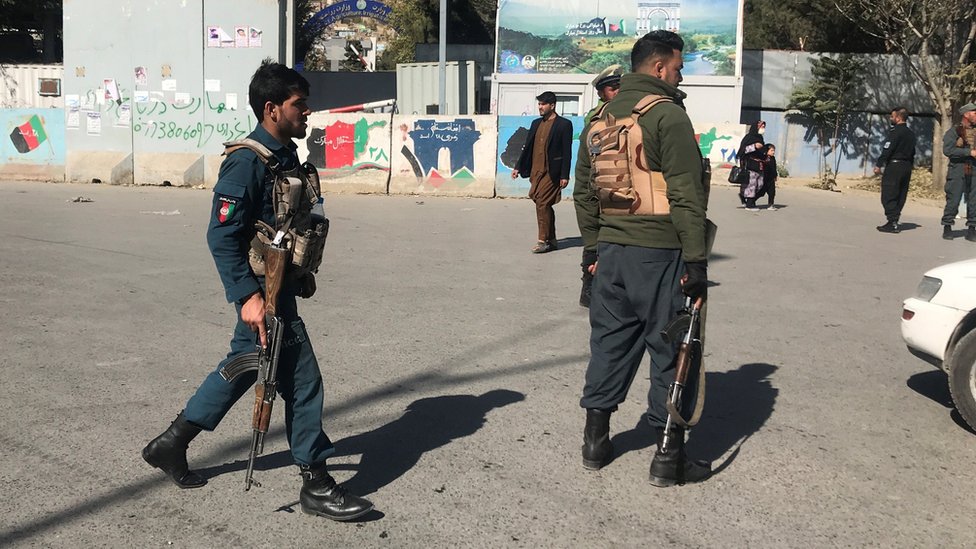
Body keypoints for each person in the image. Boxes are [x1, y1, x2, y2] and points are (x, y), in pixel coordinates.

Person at [141, 60, 373, 522]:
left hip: (279, 288)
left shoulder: (285, 156)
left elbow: (286, 225)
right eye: (299, 105)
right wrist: (246, 296)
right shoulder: (248, 162)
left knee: (245, 366)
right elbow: (221, 235)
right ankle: (316, 482)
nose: (308, 112)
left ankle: (171, 443)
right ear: (272, 109)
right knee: (303, 382)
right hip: (263, 295)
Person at [576, 30, 712, 486]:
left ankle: (595, 443)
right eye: (677, 66)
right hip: (661, 254)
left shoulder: (598, 118)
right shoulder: (666, 116)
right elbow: (687, 195)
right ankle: (667, 459)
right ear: (658, 67)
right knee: (673, 350)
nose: (679, 74)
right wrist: (696, 261)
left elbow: (584, 194)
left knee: (609, 345)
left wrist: (592, 252)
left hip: (611, 254)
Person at [575, 64, 624, 307]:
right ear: (601, 93)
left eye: (620, 88)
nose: (617, 92)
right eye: (612, 89)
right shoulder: (594, 122)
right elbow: (584, 179)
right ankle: (589, 283)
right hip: (598, 193)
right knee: (594, 245)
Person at [512, 91, 574, 253]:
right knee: (540, 201)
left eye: (543, 104)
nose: (540, 107)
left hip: (551, 172)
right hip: (535, 171)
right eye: (539, 104)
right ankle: (552, 239)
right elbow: (527, 148)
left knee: (541, 202)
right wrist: (517, 167)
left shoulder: (564, 124)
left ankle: (542, 241)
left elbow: (567, 152)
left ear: (552, 105)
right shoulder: (535, 124)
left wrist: (564, 175)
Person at [873, 107, 916, 233]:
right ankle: (895, 220)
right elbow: (913, 152)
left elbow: (888, 149)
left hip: (894, 166)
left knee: (889, 193)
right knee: (901, 194)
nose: (891, 119)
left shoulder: (895, 132)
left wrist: (879, 164)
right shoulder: (911, 134)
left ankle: (892, 221)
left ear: (898, 118)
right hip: (906, 167)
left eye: (892, 117)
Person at [941, 102, 976, 242]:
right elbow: (948, 150)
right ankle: (947, 226)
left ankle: (972, 228)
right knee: (953, 199)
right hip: (958, 170)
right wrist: (969, 152)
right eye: (974, 113)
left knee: (974, 200)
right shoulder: (954, 132)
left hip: (974, 169)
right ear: (966, 114)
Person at [737, 121, 767, 211]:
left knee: (760, 184)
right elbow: (743, 150)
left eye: (764, 127)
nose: (763, 129)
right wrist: (754, 146)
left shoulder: (760, 138)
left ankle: (743, 196)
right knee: (752, 184)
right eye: (761, 126)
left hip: (760, 165)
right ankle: (749, 204)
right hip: (750, 164)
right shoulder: (748, 137)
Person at [761, 143, 779, 210]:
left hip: (771, 178)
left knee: (772, 192)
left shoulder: (773, 158)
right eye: (771, 150)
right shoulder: (763, 158)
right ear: (767, 150)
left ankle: (770, 205)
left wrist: (775, 175)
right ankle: (751, 202)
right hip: (764, 178)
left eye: (774, 150)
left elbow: (774, 168)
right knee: (761, 192)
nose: (773, 152)